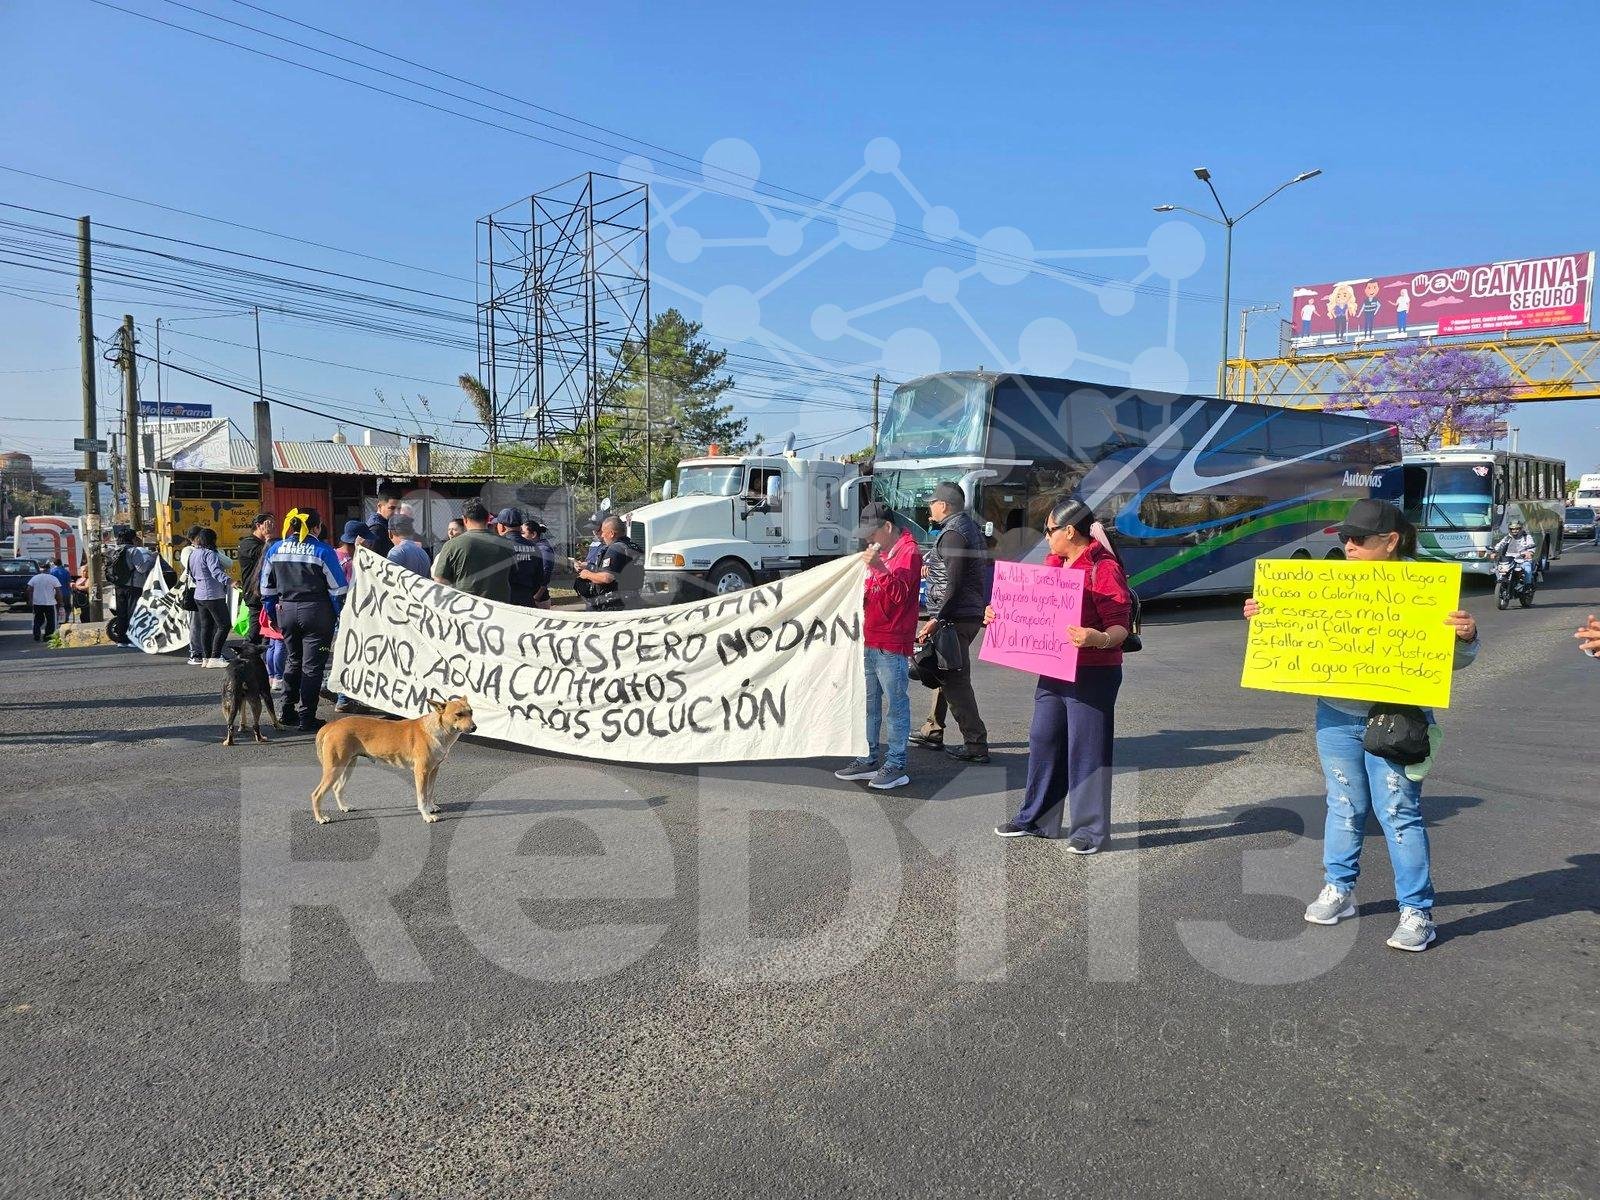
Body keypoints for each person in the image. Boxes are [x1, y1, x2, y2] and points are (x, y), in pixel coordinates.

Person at [1242, 498, 1479, 953]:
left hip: (1398, 719)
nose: (1349, 546)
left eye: (1360, 539)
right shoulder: (1324, 583)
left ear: (1390, 542)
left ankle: (1416, 911)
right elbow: (1293, 642)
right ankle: (1340, 889)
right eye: (1345, 539)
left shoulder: (1425, 588)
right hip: (1335, 715)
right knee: (1344, 804)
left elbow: (1459, 661)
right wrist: (1263, 620)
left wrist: (1465, 637)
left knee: (1397, 812)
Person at [994, 498, 1132, 851]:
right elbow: (1031, 610)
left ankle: (1089, 832)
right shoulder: (1054, 562)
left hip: (1093, 672)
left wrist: (1098, 638)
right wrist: (999, 615)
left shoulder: (1103, 568)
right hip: (1054, 669)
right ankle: (1037, 819)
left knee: (1087, 750)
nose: (1047, 537)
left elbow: (1120, 627)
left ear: (1070, 531)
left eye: (1050, 530)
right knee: (1044, 739)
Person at [833, 502, 923, 791]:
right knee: (868, 703)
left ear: (887, 527)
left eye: (871, 532)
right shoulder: (881, 552)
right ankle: (868, 757)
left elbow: (900, 595)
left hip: (892, 641)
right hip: (870, 637)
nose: (867, 539)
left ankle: (896, 764)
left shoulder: (909, 553)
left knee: (896, 706)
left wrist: (878, 567)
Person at [911, 481, 991, 763]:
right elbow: (953, 571)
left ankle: (975, 744)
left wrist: (937, 618)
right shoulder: (964, 528)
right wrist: (933, 564)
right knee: (944, 668)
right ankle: (932, 729)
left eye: (932, 502)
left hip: (954, 618)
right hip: (962, 614)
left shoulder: (954, 532)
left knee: (955, 679)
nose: (929, 507)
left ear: (943, 505)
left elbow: (955, 581)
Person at [260, 508, 348, 734]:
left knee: (293, 660)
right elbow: (338, 590)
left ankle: (286, 710)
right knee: (313, 665)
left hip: (286, 611)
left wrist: (272, 614)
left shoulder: (275, 548)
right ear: (316, 527)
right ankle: (307, 717)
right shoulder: (323, 550)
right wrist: (341, 616)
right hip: (317, 613)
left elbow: (266, 589)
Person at [432, 498, 518, 603]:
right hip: (498, 610)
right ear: (488, 518)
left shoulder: (452, 545)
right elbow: (513, 576)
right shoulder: (507, 544)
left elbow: (440, 580)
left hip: (465, 609)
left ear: (465, 519)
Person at [573, 515, 642, 611]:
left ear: (611, 534)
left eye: (603, 532)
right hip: (633, 599)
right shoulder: (633, 546)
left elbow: (607, 577)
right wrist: (590, 567)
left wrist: (587, 574)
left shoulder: (615, 548)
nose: (602, 535)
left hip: (616, 604)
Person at [187, 528, 235, 668]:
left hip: (199, 595)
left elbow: (191, 574)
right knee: (224, 625)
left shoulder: (193, 554)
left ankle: (206, 658)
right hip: (213, 595)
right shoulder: (210, 554)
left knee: (206, 627)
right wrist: (231, 581)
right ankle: (215, 655)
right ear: (212, 540)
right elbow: (216, 572)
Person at [493, 506, 546, 606]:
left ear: (502, 526)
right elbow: (539, 578)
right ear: (520, 526)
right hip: (526, 599)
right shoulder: (534, 547)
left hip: (504, 602)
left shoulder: (497, 545)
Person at [237, 512, 274, 647]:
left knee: (267, 632)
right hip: (254, 593)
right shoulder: (248, 543)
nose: (272, 527)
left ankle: (261, 660)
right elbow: (265, 555)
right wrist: (268, 537)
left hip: (267, 591)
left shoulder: (265, 542)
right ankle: (244, 657)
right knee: (255, 631)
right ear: (258, 525)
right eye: (268, 524)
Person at [178, 523, 207, 665]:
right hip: (194, 589)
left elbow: (227, 562)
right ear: (192, 538)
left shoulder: (209, 550)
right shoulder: (187, 550)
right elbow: (191, 565)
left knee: (210, 622)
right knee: (196, 623)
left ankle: (209, 652)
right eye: (200, 536)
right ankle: (195, 652)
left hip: (209, 589)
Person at [1492, 519, 1538, 592]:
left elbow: (1532, 546)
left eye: (1517, 529)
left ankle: (1527, 587)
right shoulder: (1508, 537)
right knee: (1497, 569)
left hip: (1523, 559)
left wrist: (1530, 553)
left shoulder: (1526, 537)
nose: (1514, 531)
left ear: (1521, 529)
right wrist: (1494, 551)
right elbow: (1500, 544)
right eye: (1512, 529)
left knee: (1528, 569)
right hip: (1509, 559)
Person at [523, 517, 556, 607]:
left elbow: (546, 574)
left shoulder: (543, 549)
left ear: (533, 534)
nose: (520, 536)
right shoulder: (533, 547)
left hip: (538, 600)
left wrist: (537, 596)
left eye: (523, 533)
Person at [27, 563, 61, 642]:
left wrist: (30, 600)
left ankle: (37, 634)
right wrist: (60, 602)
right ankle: (47, 637)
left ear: (40, 569)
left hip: (37, 603)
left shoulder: (35, 578)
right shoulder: (53, 578)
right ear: (49, 569)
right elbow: (58, 591)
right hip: (50, 603)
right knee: (50, 621)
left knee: (38, 619)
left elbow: (29, 589)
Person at [365, 491, 400, 557]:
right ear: (379, 506)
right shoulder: (376, 529)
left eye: (398, 509)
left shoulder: (385, 523)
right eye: (392, 508)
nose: (396, 512)